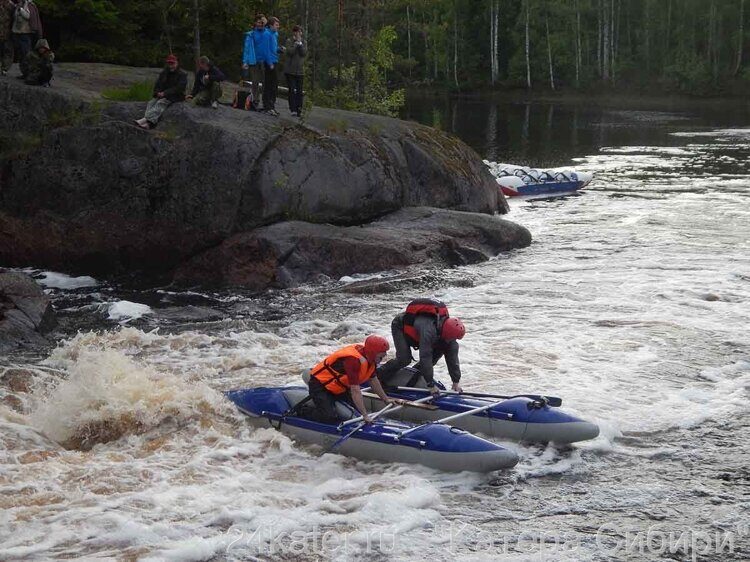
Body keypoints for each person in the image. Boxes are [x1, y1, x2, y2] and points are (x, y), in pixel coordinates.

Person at [377, 299, 465, 394]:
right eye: (451, 339)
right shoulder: (428, 330)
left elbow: (453, 358)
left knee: (436, 355)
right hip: (400, 326)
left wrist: (456, 382)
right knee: (404, 359)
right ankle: (378, 376)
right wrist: (430, 384)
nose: (452, 341)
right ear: (447, 333)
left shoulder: (450, 336)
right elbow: (425, 356)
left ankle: (412, 378)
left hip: (421, 333)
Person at [307, 335, 396, 424]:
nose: (385, 355)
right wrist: (364, 415)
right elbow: (355, 390)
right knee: (328, 416)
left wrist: (385, 399)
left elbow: (373, 380)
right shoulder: (353, 361)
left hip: (338, 388)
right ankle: (303, 412)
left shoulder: (371, 360)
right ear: (372, 352)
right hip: (320, 385)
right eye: (382, 353)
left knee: (354, 413)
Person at [134, 54, 187, 130]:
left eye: (172, 63)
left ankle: (145, 120)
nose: (170, 65)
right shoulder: (164, 73)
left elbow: (179, 88)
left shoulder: (182, 74)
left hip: (175, 96)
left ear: (177, 63)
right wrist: (157, 92)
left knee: (161, 103)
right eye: (169, 63)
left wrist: (165, 93)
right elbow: (158, 84)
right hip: (163, 94)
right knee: (151, 103)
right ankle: (149, 124)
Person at [241, 13, 267, 111]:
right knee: (255, 82)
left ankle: (265, 102)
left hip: (265, 61)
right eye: (259, 22)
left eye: (262, 22)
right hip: (254, 61)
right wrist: (245, 61)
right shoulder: (251, 34)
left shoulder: (267, 33)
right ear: (255, 23)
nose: (260, 24)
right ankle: (255, 101)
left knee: (265, 82)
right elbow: (246, 49)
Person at [12, 0, 41, 79]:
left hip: (25, 32)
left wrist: (21, 10)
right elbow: (15, 17)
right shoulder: (18, 4)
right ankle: (24, 73)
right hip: (17, 31)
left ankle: (29, 73)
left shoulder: (29, 5)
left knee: (26, 53)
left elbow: (29, 16)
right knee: (21, 54)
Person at [262, 16, 283, 116]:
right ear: (271, 25)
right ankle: (267, 106)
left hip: (275, 60)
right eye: (276, 25)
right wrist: (269, 63)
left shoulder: (274, 34)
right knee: (269, 84)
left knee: (274, 85)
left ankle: (272, 106)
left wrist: (279, 49)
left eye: (278, 25)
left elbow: (272, 48)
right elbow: (265, 50)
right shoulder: (266, 34)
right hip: (269, 62)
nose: (278, 27)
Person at [284, 25, 306, 117]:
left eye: (300, 32)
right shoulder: (289, 41)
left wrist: (300, 44)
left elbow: (303, 53)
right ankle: (293, 109)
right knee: (292, 90)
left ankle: (299, 109)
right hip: (290, 70)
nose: (298, 34)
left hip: (300, 71)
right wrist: (296, 44)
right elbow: (290, 52)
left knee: (299, 91)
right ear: (294, 32)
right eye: (297, 32)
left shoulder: (304, 42)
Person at [0, 0, 14, 76]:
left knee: (7, 51)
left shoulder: (11, 5)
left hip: (7, 32)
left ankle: (5, 69)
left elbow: (15, 18)